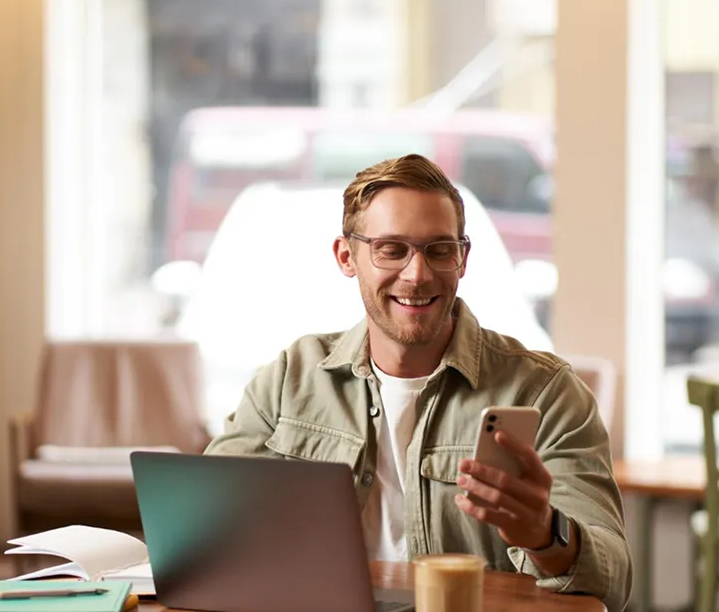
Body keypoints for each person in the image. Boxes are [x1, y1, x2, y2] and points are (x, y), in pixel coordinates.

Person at [204, 154, 632, 609]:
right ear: (347, 257)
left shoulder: (547, 393)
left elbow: (614, 583)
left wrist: (546, 535)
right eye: (392, 249)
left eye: (439, 249)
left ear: (462, 258)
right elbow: (203, 525)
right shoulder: (291, 378)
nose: (418, 274)